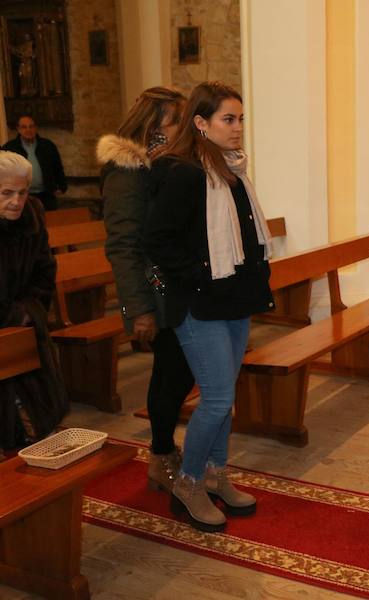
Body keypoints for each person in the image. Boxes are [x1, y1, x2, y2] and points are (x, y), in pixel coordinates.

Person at [144, 81, 274, 532]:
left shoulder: (232, 172)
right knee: (216, 398)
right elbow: (155, 240)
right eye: (228, 119)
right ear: (201, 123)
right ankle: (190, 480)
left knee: (226, 397)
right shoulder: (184, 173)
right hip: (199, 305)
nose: (238, 128)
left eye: (240, 119)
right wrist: (197, 275)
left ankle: (217, 473)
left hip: (233, 299)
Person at [97, 86, 194, 493]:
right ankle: (159, 454)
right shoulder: (127, 172)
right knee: (169, 375)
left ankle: (165, 450)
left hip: (176, 283)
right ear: (154, 126)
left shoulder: (164, 165)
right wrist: (140, 307)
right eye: (179, 121)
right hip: (155, 285)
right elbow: (124, 246)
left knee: (181, 372)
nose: (186, 129)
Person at [0, 150, 68, 448]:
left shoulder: (33, 215)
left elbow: (45, 270)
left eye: (23, 192)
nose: (16, 200)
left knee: (39, 410)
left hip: (25, 322)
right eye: (6, 192)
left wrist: (29, 310)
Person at [2, 115, 67, 211]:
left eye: (31, 126)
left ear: (36, 128)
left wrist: (62, 186)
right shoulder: (10, 148)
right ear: (18, 129)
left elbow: (58, 168)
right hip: (21, 195)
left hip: (46, 194)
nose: (28, 130)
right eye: (24, 127)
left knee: (50, 222)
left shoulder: (48, 145)